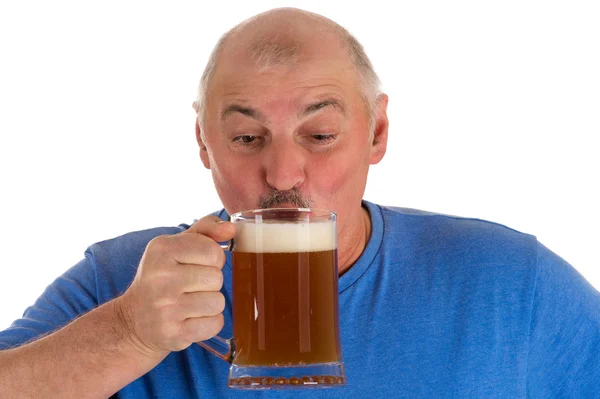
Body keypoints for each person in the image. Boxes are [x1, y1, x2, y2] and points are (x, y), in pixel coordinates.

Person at [1, 7, 598, 398]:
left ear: (377, 134)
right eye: (245, 138)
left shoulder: (509, 282)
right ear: (203, 144)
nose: (284, 173)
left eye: (319, 135)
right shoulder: (123, 280)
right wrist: (128, 334)